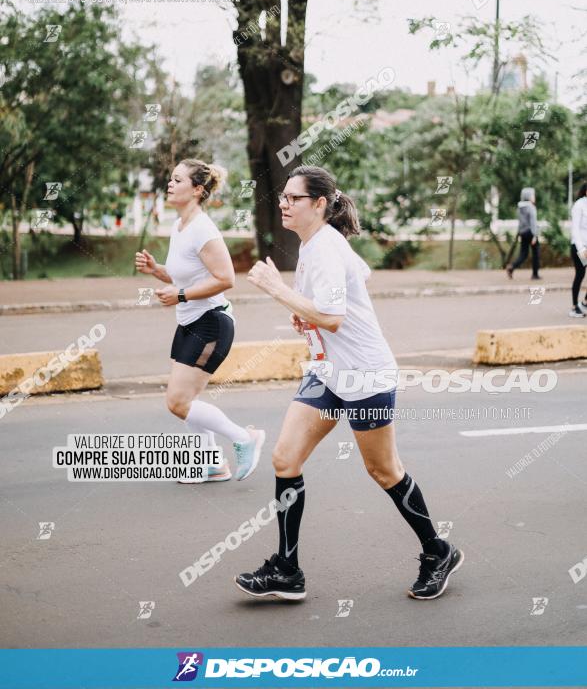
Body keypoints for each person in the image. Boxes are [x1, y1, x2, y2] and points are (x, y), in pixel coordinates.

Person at [234, 165, 464, 601]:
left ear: (319, 204)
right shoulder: (319, 244)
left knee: (383, 470)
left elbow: (335, 317)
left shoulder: (324, 249)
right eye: (282, 197)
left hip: (365, 374)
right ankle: (287, 569)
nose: (283, 204)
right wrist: (307, 312)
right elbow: (359, 275)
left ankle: (438, 551)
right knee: (285, 459)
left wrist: (278, 290)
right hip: (328, 373)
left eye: (293, 198)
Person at [135, 159, 265, 482]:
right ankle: (212, 464)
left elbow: (226, 278)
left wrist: (179, 296)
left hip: (211, 323)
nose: (169, 184)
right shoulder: (180, 227)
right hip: (191, 322)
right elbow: (185, 275)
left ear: (196, 189)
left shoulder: (203, 229)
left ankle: (245, 438)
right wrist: (157, 270)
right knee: (186, 400)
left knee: (177, 402)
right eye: (170, 178)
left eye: (177, 180)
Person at [506, 187, 540, 280]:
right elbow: (533, 222)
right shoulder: (531, 207)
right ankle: (535, 274)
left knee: (523, 254)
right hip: (531, 232)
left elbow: (520, 222)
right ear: (529, 196)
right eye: (533, 195)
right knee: (536, 254)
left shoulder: (520, 207)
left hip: (523, 232)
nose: (534, 197)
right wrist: (535, 236)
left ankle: (512, 266)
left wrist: (520, 233)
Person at [569, 182, 587, 318]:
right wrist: (581, 249)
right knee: (580, 274)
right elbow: (575, 229)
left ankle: (585, 302)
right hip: (579, 247)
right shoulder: (579, 205)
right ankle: (574, 307)